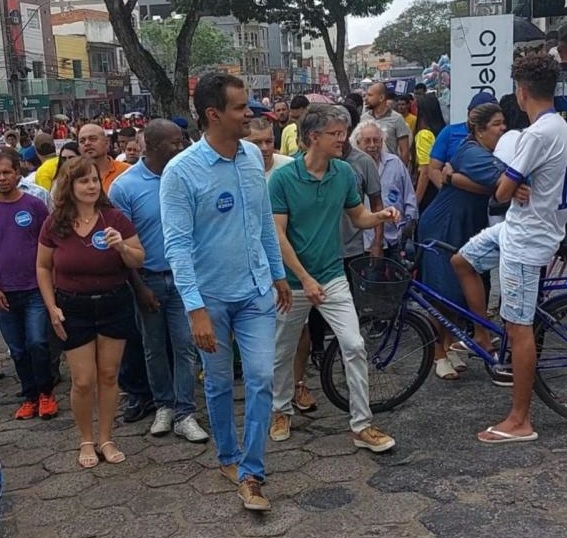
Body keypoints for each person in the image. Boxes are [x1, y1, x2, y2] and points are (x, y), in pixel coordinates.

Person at [160, 72, 292, 511]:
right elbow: (176, 245)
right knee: (217, 384)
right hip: (210, 299)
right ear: (213, 115)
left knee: (260, 378)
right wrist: (194, 308)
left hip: (255, 293)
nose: (250, 114)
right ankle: (227, 456)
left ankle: (251, 473)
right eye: (240, 108)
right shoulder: (181, 172)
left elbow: (262, 224)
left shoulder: (253, 156)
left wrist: (277, 276)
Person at [269, 103, 399, 453]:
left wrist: (381, 216)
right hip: (292, 283)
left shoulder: (343, 173)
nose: (343, 139)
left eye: (343, 133)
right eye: (336, 134)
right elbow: (278, 237)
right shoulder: (282, 179)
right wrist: (304, 279)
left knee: (354, 345)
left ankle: (362, 424)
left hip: (332, 275)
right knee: (282, 349)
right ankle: (279, 410)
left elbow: (358, 217)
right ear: (313, 137)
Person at [451, 55, 567, 443]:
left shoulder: (537, 134)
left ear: (521, 92)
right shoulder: (558, 127)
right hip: (518, 228)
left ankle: (520, 420)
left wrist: (511, 181)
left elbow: (502, 190)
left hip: (525, 238)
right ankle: (484, 338)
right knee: (462, 260)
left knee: (519, 329)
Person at [36, 155, 144, 468]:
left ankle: (106, 437)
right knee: (83, 380)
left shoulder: (115, 218)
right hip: (73, 307)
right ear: (69, 186)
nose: (91, 186)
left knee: (109, 376)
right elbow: (43, 267)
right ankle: (85, 439)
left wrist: (122, 247)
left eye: (95, 180)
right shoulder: (55, 222)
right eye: (84, 180)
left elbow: (139, 259)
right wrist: (51, 306)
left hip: (113, 302)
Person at [110, 119, 208, 443]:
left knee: (185, 345)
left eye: (181, 141)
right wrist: (139, 287)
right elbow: (122, 247)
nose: (181, 147)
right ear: (150, 146)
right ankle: (163, 405)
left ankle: (185, 412)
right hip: (148, 279)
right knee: (153, 348)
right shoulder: (125, 187)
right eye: (173, 143)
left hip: (183, 279)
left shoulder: (186, 176)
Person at [419, 103, 506, 380]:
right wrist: (455, 179)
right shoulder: (472, 153)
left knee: (457, 292)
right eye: (496, 124)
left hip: (466, 224)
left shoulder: (485, 152)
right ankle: (438, 353)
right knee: (440, 291)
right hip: (443, 225)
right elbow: (502, 185)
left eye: (504, 122)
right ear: (479, 130)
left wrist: (454, 178)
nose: (503, 128)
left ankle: (450, 344)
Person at [246, 117, 316, 410]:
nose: (264, 148)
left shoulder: (289, 167)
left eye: (268, 141)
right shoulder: (238, 169)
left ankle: (298, 384)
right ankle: (265, 391)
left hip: (287, 262)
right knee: (255, 331)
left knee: (297, 328)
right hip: (247, 265)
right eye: (256, 142)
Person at [0, 147, 57, 420]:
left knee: (37, 342)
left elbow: (49, 245)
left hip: (35, 288)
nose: (1, 178)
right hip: (5, 293)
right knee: (18, 349)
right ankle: (30, 395)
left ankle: (46, 392)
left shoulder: (34, 205)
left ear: (17, 173)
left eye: (6, 172)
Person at [350, 120, 418, 261]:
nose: (373, 145)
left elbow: (409, 197)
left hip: (394, 240)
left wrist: (407, 229)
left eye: (377, 140)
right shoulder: (350, 168)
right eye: (367, 141)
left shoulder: (395, 163)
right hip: (363, 244)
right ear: (357, 143)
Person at [428, 92, 498, 188]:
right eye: (479, 113)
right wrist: (447, 193)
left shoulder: (499, 136)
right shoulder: (450, 132)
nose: (483, 118)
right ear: (469, 112)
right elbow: (433, 169)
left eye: (489, 116)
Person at [362, 83, 411, 165]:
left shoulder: (397, 119)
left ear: (381, 98)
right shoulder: (364, 118)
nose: (366, 99)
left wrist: (401, 171)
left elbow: (404, 150)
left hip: (390, 167)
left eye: (370, 95)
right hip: (369, 167)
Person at [414, 94, 446, 212]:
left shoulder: (424, 135)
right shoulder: (442, 131)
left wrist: (415, 202)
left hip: (428, 190)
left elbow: (425, 171)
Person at [78, 124, 130, 193]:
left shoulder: (126, 171)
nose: (87, 143)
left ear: (107, 143)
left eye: (92, 139)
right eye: (82, 141)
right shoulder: (73, 175)